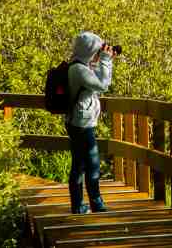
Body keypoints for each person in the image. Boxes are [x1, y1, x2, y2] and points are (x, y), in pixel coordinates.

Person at [65, 31, 115, 214]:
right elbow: (102, 85)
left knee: (79, 164)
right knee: (92, 165)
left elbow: (101, 81)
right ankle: (97, 204)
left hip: (79, 122)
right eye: (96, 49)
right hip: (81, 125)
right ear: (89, 50)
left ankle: (79, 206)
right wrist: (105, 60)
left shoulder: (80, 66)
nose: (98, 52)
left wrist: (103, 60)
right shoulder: (79, 70)